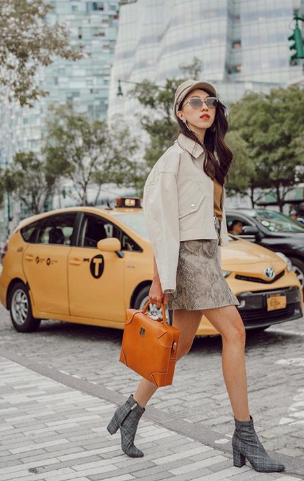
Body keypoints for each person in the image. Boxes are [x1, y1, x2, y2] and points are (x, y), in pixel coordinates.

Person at [106, 80, 285, 473]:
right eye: (195, 102)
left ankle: (130, 410)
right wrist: (158, 280)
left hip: (204, 254)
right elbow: (161, 225)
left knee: (178, 348)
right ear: (181, 113)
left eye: (209, 102)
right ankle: (245, 434)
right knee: (235, 332)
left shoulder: (210, 155)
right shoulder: (173, 158)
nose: (205, 107)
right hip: (188, 258)